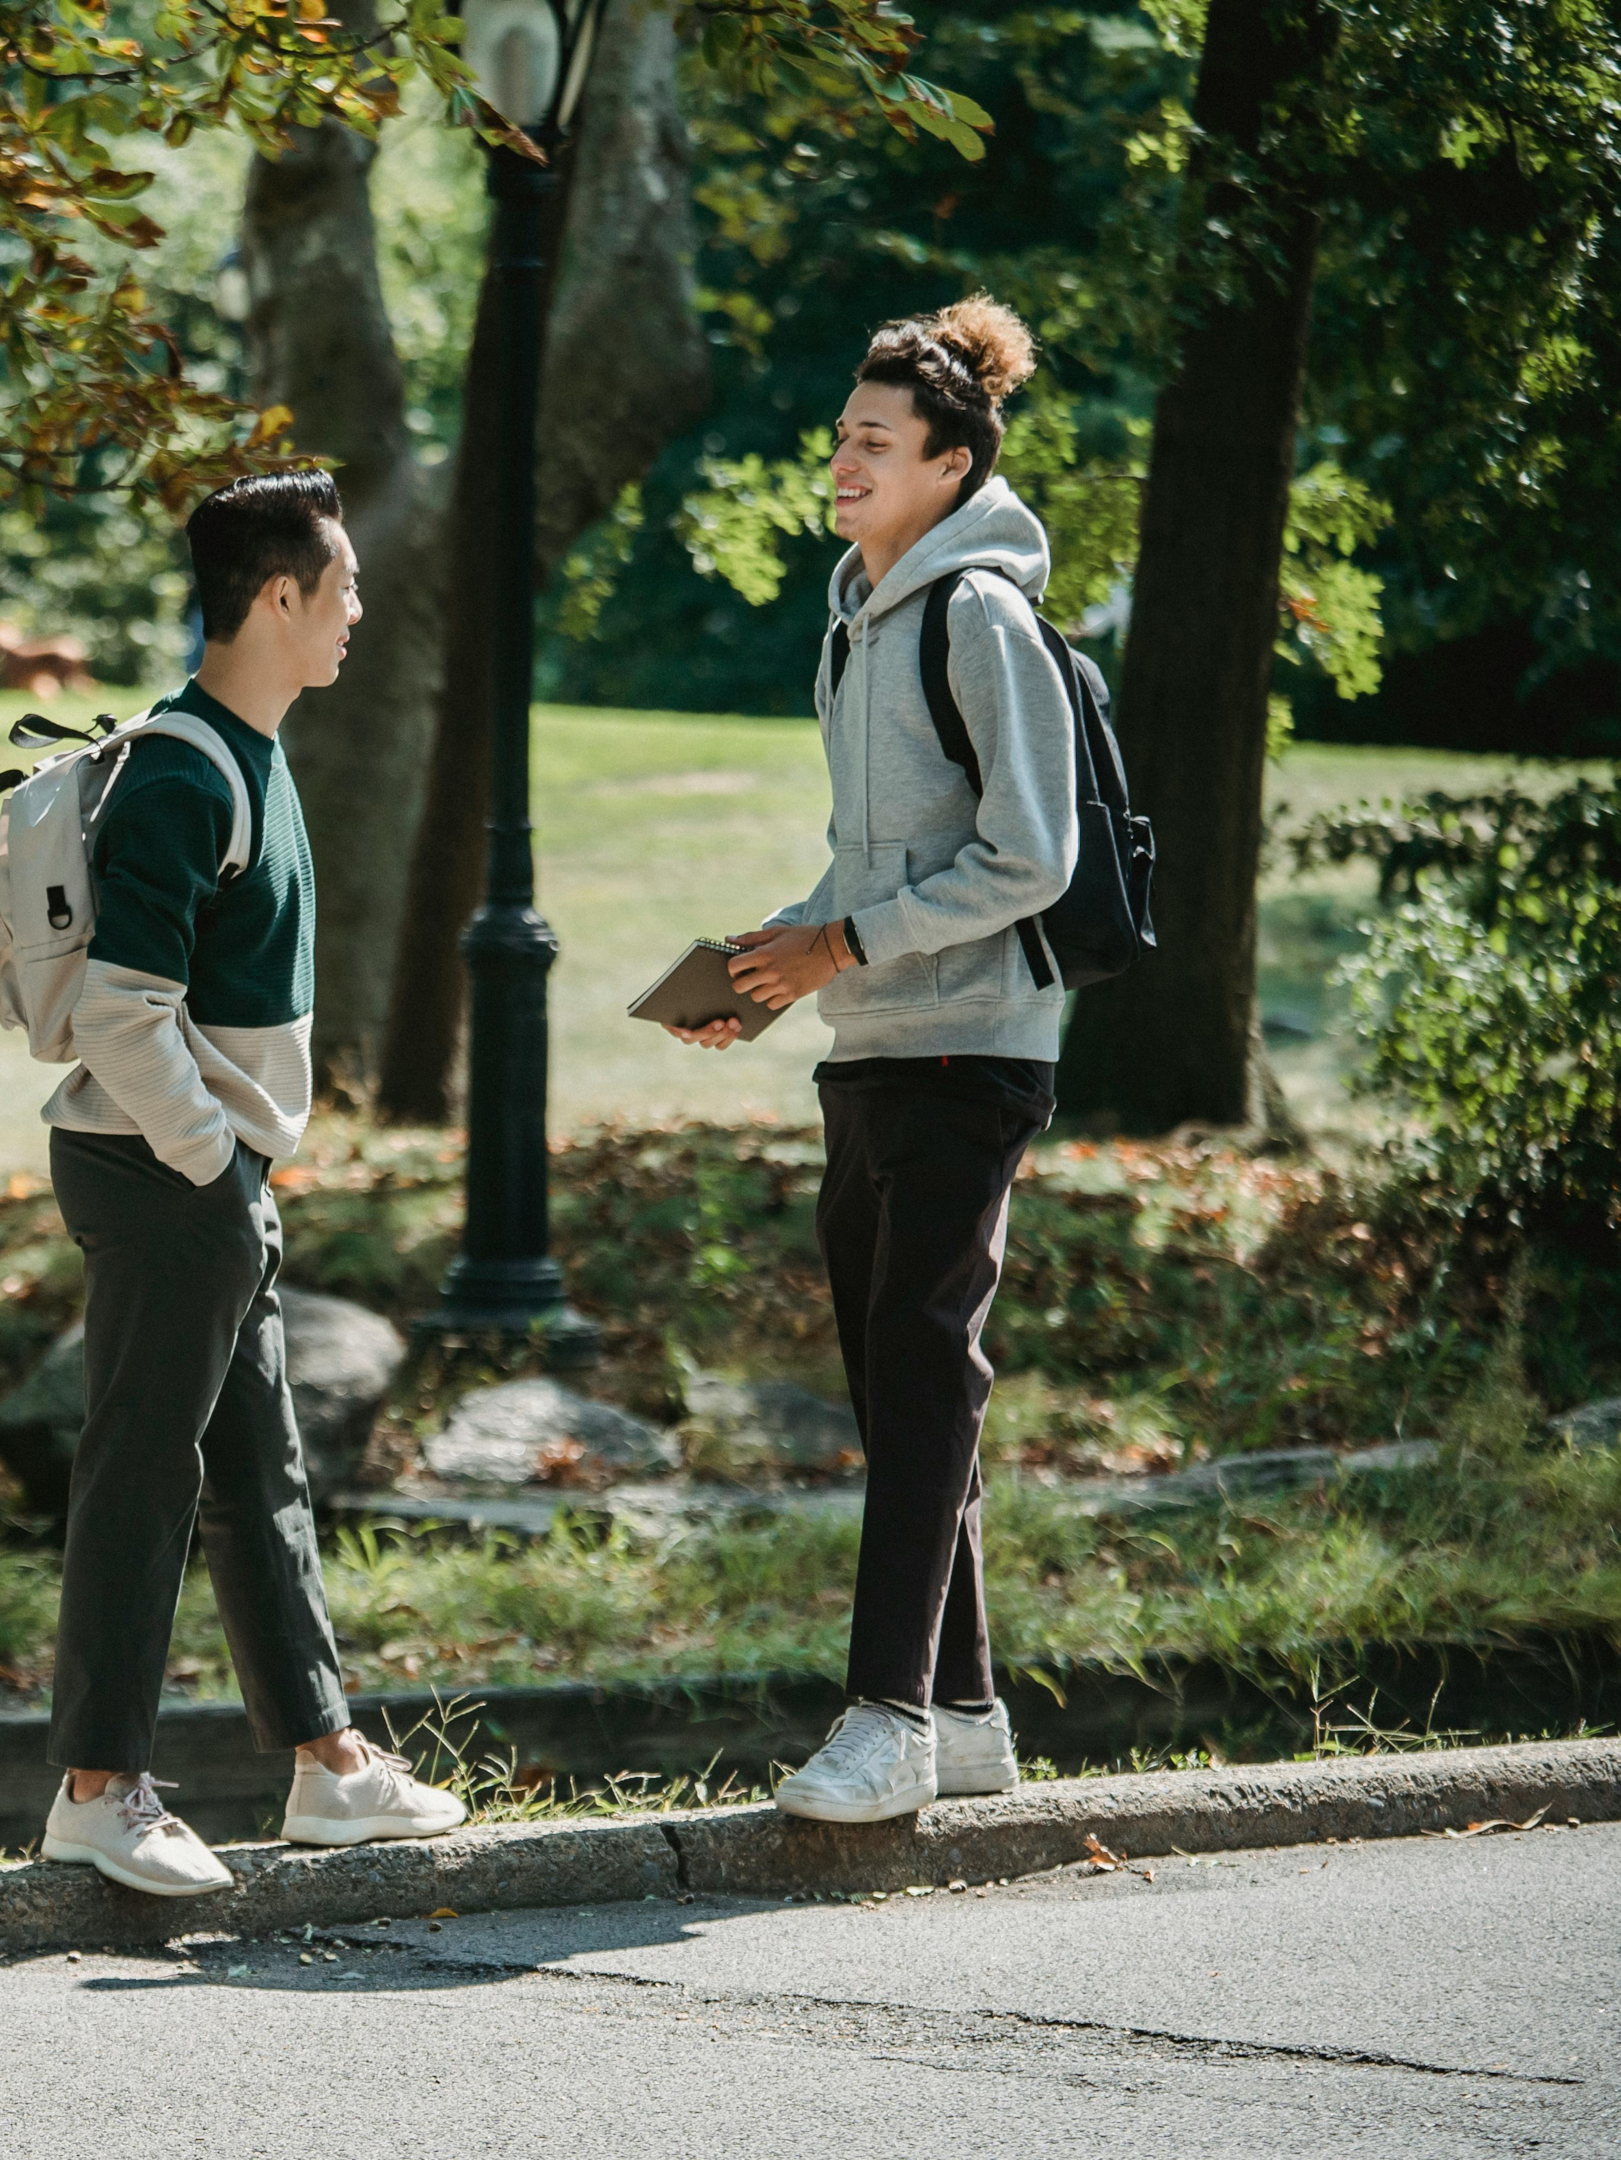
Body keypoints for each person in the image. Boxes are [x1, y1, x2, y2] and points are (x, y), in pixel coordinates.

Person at [666, 297, 1079, 1824]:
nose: (843, 459)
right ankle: (964, 1711)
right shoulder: (856, 619)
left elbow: (1033, 855)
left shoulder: (981, 616)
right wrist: (775, 963)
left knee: (922, 1369)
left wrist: (845, 944)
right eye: (842, 435)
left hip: (975, 1048)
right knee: (902, 1386)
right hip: (875, 1046)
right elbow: (873, 864)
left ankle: (886, 1717)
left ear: (953, 463)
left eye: (876, 442)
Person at [36, 469, 467, 1896]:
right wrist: (218, 1164)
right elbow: (117, 1008)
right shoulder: (182, 767)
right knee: (143, 1477)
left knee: (257, 1474)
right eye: (341, 587)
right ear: (277, 597)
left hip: (212, 1177)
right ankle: (98, 1789)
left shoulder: (254, 754)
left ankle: (330, 1769)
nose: (358, 610)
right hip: (164, 1174)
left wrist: (240, 1169)